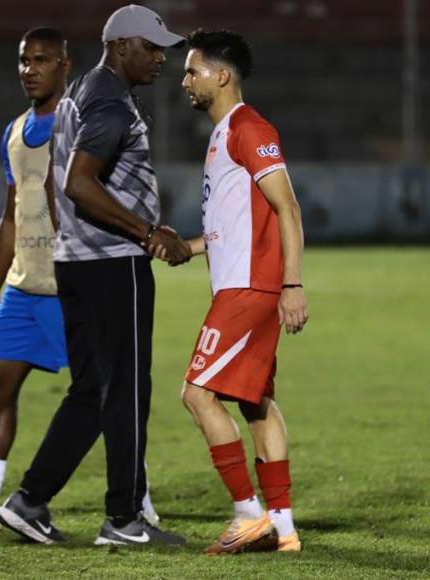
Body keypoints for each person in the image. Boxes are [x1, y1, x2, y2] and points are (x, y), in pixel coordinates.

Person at [0, 5, 190, 546]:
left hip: (77, 259)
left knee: (92, 392)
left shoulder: (83, 89)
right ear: (122, 45)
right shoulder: (108, 99)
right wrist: (146, 233)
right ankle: (124, 518)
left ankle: (29, 501)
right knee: (126, 391)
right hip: (112, 263)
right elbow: (81, 183)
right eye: (151, 48)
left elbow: (65, 184)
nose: (159, 59)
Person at [173, 29, 307, 554]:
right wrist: (192, 246)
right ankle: (285, 528)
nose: (185, 80)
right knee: (256, 403)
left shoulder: (249, 128)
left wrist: (291, 284)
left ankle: (248, 515)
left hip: (249, 290)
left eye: (192, 71)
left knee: (197, 394)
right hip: (240, 283)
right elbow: (237, 220)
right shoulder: (224, 133)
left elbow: (287, 209)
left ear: (221, 75)